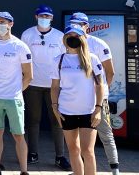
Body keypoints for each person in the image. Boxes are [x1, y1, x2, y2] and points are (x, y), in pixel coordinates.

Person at [21, 5, 71, 169]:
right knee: (33, 120)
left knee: (57, 120)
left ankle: (60, 156)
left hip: (54, 86)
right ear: (36, 17)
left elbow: (65, 59)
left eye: (47, 16)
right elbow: (22, 58)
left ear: (52, 18)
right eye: (42, 16)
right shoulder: (27, 34)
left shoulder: (59, 36)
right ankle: (32, 153)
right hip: (32, 84)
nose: (44, 19)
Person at [69, 12, 119, 175]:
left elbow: (110, 72)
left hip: (97, 100)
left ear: (87, 26)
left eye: (79, 24)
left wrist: (102, 93)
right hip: (77, 99)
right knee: (77, 136)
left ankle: (115, 170)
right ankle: (80, 169)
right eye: (73, 23)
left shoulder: (98, 44)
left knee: (105, 134)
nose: (76, 27)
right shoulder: (69, 42)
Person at [0, 12, 33, 175]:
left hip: (13, 99)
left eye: (3, 22)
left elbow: (28, 75)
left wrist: (16, 91)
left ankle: (24, 171)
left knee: (18, 135)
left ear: (11, 24)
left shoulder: (20, 46)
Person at [51, 25, 104, 175]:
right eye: (69, 35)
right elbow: (54, 87)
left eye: (76, 35)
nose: (72, 38)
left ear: (82, 38)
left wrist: (98, 109)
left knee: (88, 151)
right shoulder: (58, 60)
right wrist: (55, 107)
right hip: (66, 111)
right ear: (64, 39)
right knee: (74, 150)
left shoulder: (92, 59)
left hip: (88, 112)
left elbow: (100, 85)